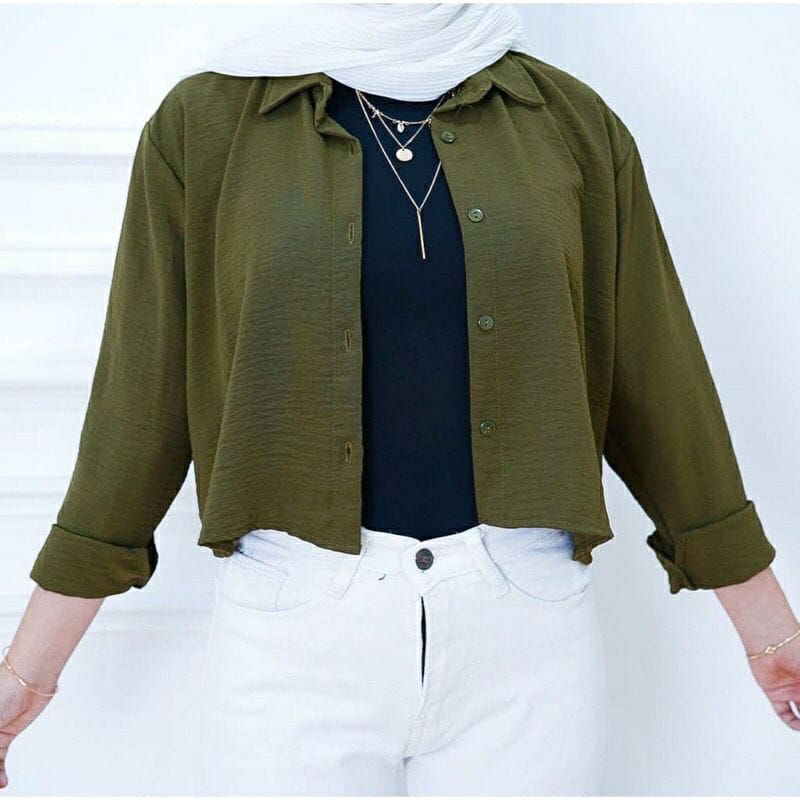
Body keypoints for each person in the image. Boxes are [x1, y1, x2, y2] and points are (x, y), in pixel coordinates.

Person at [1, 3, 798, 796]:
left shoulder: (570, 122)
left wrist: (772, 640)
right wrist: (25, 678)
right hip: (291, 637)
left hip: (526, 634)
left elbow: (660, 387)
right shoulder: (206, 123)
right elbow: (135, 416)